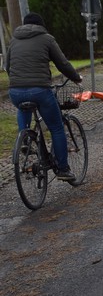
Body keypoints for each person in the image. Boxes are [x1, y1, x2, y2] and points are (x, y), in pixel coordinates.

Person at [5, 12, 82, 181]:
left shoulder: (14, 40)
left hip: (15, 91)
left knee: (23, 104)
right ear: (41, 25)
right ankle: (62, 169)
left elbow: (7, 66)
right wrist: (76, 77)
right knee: (56, 127)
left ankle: (24, 137)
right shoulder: (46, 38)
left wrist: (19, 82)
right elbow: (62, 63)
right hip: (40, 90)